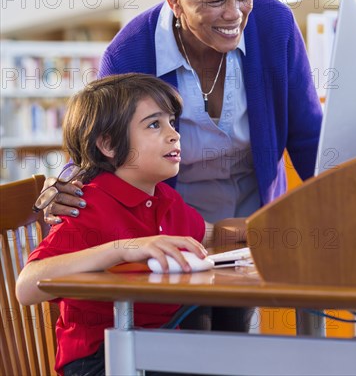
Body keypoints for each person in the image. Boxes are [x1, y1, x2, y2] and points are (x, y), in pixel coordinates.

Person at [39, 0, 322, 330]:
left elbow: (309, 135)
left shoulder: (274, 26)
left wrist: (339, 209)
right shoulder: (131, 51)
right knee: (185, 335)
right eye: (213, 0)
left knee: (236, 340)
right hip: (169, 229)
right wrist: (67, 182)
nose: (233, 13)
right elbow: (102, 140)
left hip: (244, 226)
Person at [17, 73, 246, 376]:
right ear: (109, 145)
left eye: (172, 122)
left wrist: (274, 227)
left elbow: (214, 234)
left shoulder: (166, 198)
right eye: (154, 124)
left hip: (154, 345)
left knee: (227, 320)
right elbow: (27, 287)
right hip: (99, 360)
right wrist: (122, 249)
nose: (173, 134)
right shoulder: (87, 205)